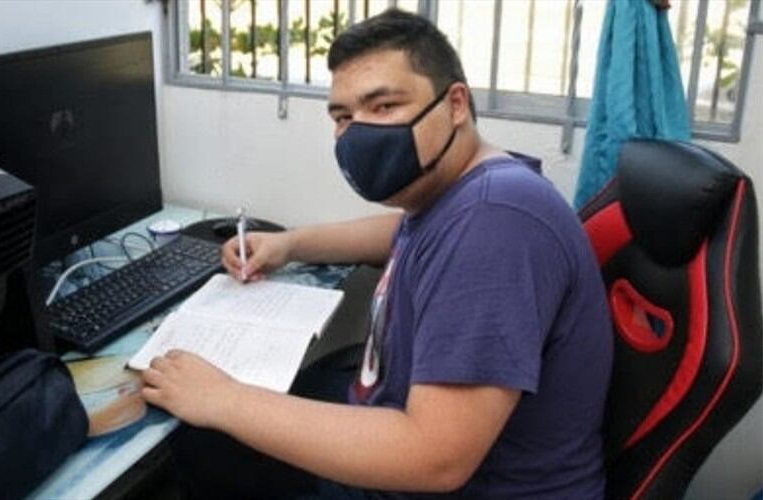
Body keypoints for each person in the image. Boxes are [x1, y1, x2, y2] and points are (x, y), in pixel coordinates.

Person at [142, 9, 613, 499]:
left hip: (446, 480)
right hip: (400, 427)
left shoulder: (496, 220)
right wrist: (291, 244)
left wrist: (225, 400)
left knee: (203, 442)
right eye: (343, 117)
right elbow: (404, 234)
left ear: (455, 104)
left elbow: (436, 458)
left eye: (384, 106)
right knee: (222, 432)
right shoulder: (470, 190)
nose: (359, 131)